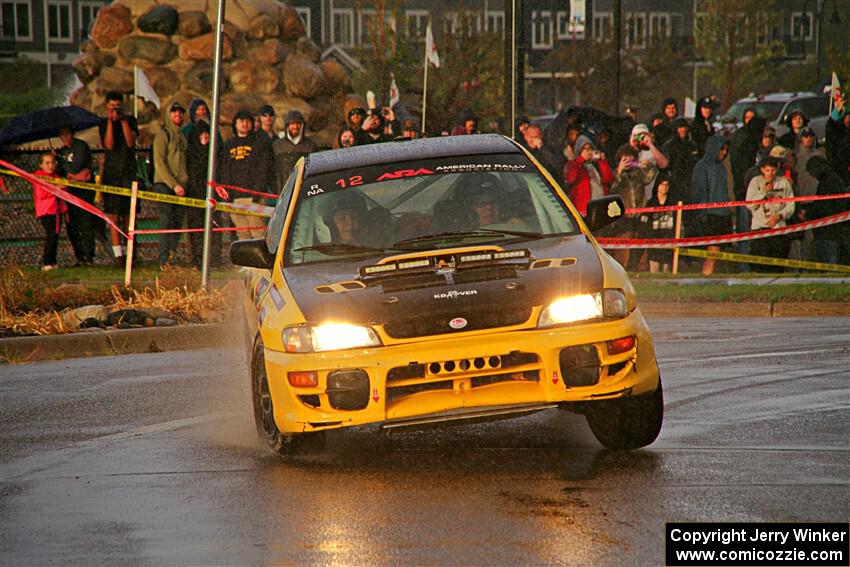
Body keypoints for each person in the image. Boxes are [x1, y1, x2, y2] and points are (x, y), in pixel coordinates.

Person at [219, 108, 275, 239]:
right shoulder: (228, 145)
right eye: (241, 121)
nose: (244, 124)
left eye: (247, 121)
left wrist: (257, 193)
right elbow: (224, 170)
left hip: (254, 197)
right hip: (235, 198)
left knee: (258, 233)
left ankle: (263, 260)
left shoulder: (259, 143)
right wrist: (228, 195)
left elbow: (264, 170)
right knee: (242, 234)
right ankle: (245, 260)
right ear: (235, 124)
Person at [99, 90, 138, 266]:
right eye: (112, 107)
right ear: (107, 107)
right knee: (113, 216)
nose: (115, 110)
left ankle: (131, 252)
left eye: (118, 106)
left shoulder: (130, 121)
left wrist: (122, 121)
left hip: (128, 172)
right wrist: (109, 121)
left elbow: (130, 142)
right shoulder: (103, 123)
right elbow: (108, 145)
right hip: (111, 174)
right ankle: (118, 255)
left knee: (128, 215)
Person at [152, 102, 189, 268]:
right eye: (174, 113)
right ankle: (163, 260)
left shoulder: (182, 136)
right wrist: (173, 184)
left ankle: (171, 258)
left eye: (180, 113)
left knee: (177, 223)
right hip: (166, 185)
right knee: (166, 222)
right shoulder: (163, 135)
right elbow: (159, 162)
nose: (178, 116)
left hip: (181, 187)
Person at [692, 135, 734, 276]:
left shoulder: (722, 167)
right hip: (710, 214)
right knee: (712, 251)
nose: (723, 153)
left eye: (726, 150)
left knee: (720, 253)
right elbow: (700, 190)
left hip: (724, 214)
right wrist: (702, 213)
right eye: (721, 149)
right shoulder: (702, 166)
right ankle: (706, 277)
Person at [56, 126, 95, 266]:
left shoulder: (81, 146)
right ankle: (80, 256)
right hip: (69, 192)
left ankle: (89, 255)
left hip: (84, 192)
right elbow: (61, 171)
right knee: (71, 225)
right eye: (62, 135)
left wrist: (69, 170)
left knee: (86, 223)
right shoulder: (61, 152)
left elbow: (76, 167)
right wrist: (71, 174)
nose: (65, 138)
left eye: (67, 134)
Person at [746, 158, 795, 272]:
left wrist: (780, 216)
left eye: (773, 170)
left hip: (778, 229)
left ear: (777, 169)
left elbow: (791, 205)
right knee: (758, 265)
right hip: (760, 229)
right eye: (767, 170)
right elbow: (750, 205)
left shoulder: (783, 183)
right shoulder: (755, 182)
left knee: (777, 265)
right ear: (762, 169)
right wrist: (763, 192)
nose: (770, 174)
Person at [185, 121, 219, 269]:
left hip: (211, 196)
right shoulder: (191, 153)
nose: (205, 137)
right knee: (197, 230)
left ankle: (213, 259)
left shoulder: (214, 153)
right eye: (202, 134)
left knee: (213, 229)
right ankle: (198, 260)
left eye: (207, 134)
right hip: (195, 196)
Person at [804, 155, 850, 264]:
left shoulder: (828, 182)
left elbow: (824, 206)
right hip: (833, 230)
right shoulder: (832, 180)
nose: (811, 175)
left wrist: (808, 213)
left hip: (828, 232)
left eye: (811, 171)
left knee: (830, 263)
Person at [31, 152, 68, 271]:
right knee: (51, 234)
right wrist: (56, 188)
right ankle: (46, 261)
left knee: (55, 235)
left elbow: (63, 193)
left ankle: (53, 260)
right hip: (46, 210)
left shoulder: (56, 177)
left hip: (57, 210)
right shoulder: (38, 176)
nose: (50, 165)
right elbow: (42, 194)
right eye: (47, 163)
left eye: (52, 162)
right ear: (41, 165)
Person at [565, 135, 614, 215]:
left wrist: (602, 162)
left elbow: (609, 179)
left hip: (601, 207)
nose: (588, 151)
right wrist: (582, 159)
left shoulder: (596, 165)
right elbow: (571, 178)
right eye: (584, 149)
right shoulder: (574, 164)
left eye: (590, 148)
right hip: (584, 209)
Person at [639, 171, 676, 273]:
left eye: (666, 185)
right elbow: (644, 222)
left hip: (668, 242)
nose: (664, 187)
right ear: (657, 186)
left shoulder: (673, 203)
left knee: (666, 271)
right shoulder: (650, 203)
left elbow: (678, 222)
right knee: (654, 271)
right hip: (654, 243)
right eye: (662, 184)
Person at [273, 110, 317, 186]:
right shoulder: (277, 145)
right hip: (282, 189)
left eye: (298, 123)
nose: (295, 127)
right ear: (287, 125)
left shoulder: (310, 146)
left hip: (304, 187)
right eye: (292, 123)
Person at [662, 117, 700, 205]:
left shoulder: (693, 145)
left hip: (690, 182)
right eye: (680, 127)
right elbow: (666, 165)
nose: (683, 130)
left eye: (684, 127)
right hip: (675, 183)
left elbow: (696, 162)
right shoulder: (669, 146)